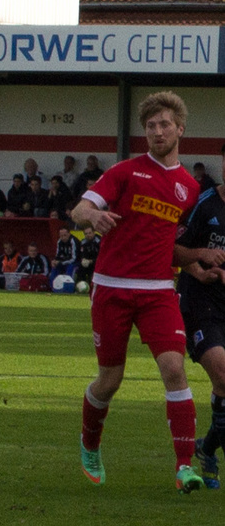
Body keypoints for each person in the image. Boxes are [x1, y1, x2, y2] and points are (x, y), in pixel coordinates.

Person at [71, 91, 204, 493]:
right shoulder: (125, 172)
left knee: (174, 369)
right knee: (109, 380)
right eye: (151, 126)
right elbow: (79, 211)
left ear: (180, 129)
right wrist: (94, 215)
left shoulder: (189, 188)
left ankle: (185, 467)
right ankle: (90, 443)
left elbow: (171, 243)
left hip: (159, 291)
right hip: (111, 287)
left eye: (165, 125)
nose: (158, 131)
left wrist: (198, 259)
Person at [173, 144, 225, 489]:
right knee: (223, 374)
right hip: (201, 303)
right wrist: (197, 267)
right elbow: (173, 248)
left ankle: (206, 448)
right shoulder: (204, 204)